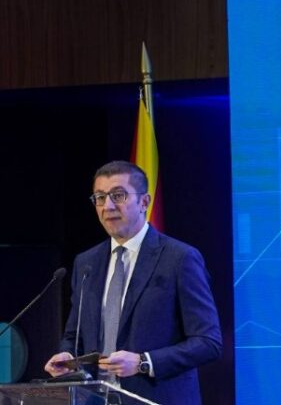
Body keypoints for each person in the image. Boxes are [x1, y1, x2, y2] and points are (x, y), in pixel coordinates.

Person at [44, 161, 222, 404]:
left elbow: (208, 342)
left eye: (118, 195)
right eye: (100, 197)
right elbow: (74, 335)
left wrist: (143, 362)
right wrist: (67, 357)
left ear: (144, 202)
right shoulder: (86, 263)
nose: (107, 206)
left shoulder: (179, 258)